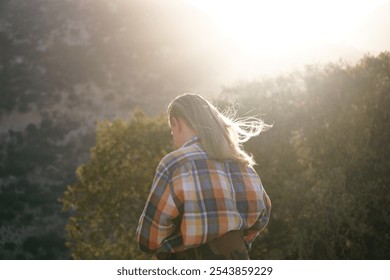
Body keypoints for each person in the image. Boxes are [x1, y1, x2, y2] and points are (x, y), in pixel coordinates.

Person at [136, 93, 272, 259]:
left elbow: (149, 239)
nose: (174, 138)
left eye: (172, 132)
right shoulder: (244, 165)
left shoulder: (175, 164)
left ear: (175, 123)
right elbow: (262, 216)